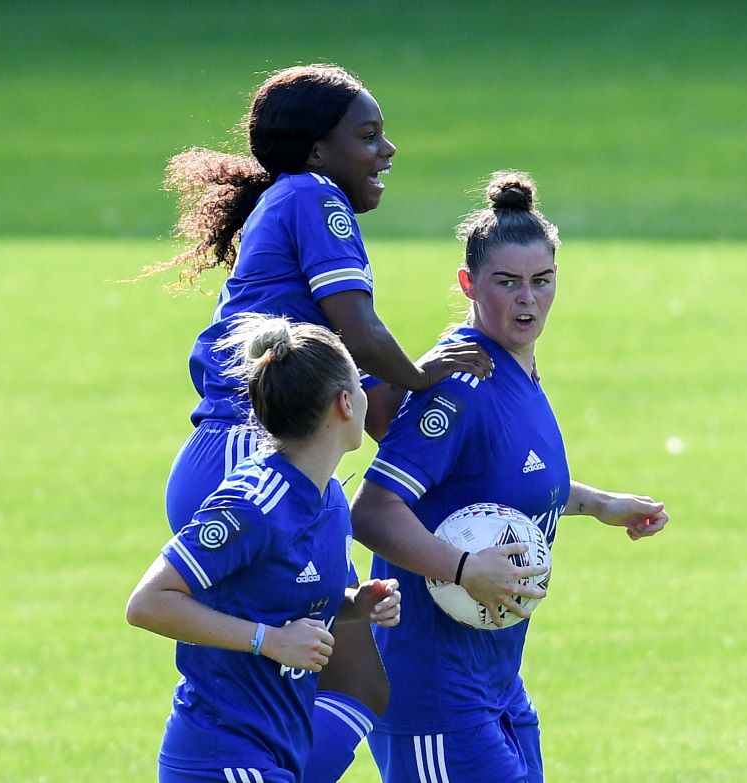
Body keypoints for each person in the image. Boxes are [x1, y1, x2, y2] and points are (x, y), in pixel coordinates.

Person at [146, 64, 522, 782]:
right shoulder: (318, 199)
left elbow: (371, 396)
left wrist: (461, 461)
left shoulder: (291, 204)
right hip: (250, 454)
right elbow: (361, 328)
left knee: (341, 683)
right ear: (320, 150)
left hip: (262, 458)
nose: (387, 151)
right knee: (278, 683)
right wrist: (430, 372)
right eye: (369, 135)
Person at [350, 171, 671, 783]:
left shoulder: (517, 372)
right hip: (433, 692)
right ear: (469, 284)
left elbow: (493, 483)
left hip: (495, 680)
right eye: (507, 283)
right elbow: (372, 509)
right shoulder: (461, 383)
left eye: (541, 282)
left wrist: (600, 504)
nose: (527, 299)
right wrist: (466, 570)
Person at [127, 316, 403, 783]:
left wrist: (358, 605)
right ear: (344, 403)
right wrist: (269, 642)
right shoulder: (253, 503)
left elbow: (279, 601)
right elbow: (147, 603)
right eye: (361, 384)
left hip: (274, 753)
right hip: (220, 757)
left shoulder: (330, 497)